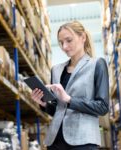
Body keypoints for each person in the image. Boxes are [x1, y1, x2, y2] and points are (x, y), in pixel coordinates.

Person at [31, 21, 109, 150]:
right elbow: (58, 110)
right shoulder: (56, 70)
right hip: (55, 141)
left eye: (69, 40)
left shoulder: (97, 64)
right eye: (61, 42)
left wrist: (69, 99)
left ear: (82, 37)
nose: (64, 47)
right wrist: (44, 104)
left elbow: (102, 107)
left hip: (83, 141)